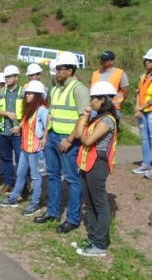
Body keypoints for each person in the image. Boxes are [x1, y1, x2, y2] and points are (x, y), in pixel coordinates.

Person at [34, 52, 90, 234]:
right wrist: (45, 135)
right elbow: (52, 113)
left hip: (68, 141)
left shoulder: (79, 89)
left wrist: (70, 138)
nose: (56, 71)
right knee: (52, 175)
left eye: (60, 68)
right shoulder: (56, 88)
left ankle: (73, 219)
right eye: (56, 68)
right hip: (52, 137)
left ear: (70, 70)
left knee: (72, 179)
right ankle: (53, 212)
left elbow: (83, 117)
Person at [74, 81, 118, 257]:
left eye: (94, 98)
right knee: (90, 203)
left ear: (104, 100)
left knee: (99, 204)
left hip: (98, 165)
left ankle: (100, 245)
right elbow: (78, 134)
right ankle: (92, 238)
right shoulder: (95, 117)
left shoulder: (107, 120)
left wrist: (84, 129)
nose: (91, 101)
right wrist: (84, 116)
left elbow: (86, 140)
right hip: (87, 162)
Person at [0, 80, 49, 216]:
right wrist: (18, 128)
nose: (26, 96)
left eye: (30, 93)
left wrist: (44, 139)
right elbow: (25, 124)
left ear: (38, 95)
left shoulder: (42, 111)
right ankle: (13, 198)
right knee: (20, 175)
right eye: (26, 93)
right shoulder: (29, 110)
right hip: (25, 148)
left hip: (35, 151)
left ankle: (35, 204)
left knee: (36, 177)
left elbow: (48, 127)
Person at [0, 65, 24, 195]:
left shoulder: (23, 92)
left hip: (17, 132)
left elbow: (28, 113)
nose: (7, 79)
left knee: (20, 159)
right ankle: (8, 183)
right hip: (2, 130)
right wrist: (6, 113)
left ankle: (23, 185)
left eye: (9, 76)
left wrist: (20, 126)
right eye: (6, 77)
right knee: (6, 158)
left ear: (16, 77)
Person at [132, 48, 152, 178]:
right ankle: (146, 163)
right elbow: (138, 93)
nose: (147, 62)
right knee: (144, 139)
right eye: (146, 60)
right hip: (142, 111)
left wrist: (142, 107)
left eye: (150, 60)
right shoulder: (143, 76)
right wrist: (137, 107)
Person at [90, 50, 129, 119]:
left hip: (112, 109)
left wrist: (117, 102)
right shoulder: (95, 73)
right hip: (95, 109)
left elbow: (125, 93)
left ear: (112, 61)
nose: (102, 61)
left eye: (104, 60)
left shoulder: (120, 73)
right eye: (101, 59)